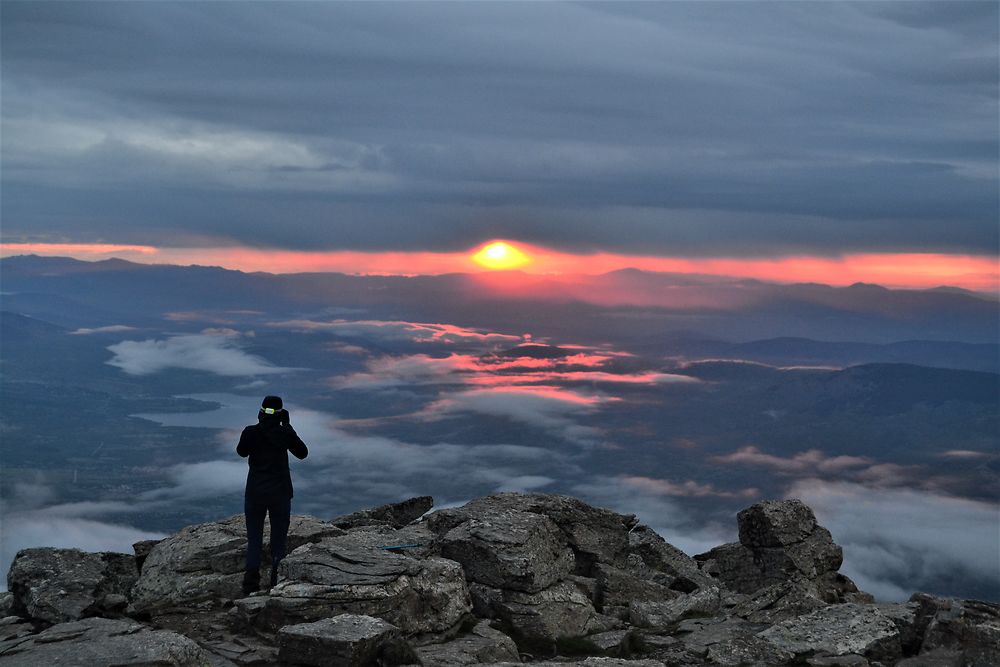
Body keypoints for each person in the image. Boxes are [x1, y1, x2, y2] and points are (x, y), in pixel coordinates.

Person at [236, 395, 308, 595]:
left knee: (254, 539)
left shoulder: (251, 432)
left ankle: (250, 586)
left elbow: (241, 452)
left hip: (255, 493)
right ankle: (276, 584)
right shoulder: (284, 433)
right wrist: (287, 426)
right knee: (278, 541)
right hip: (280, 493)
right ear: (280, 414)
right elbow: (303, 453)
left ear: (261, 412)